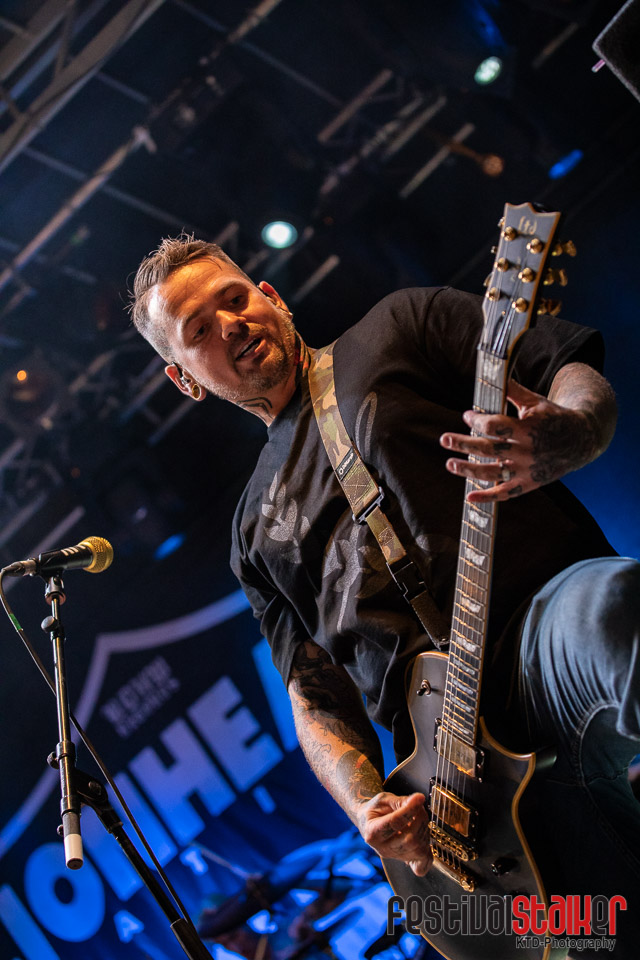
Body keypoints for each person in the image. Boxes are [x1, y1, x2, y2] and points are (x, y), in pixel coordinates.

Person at [130, 236, 640, 955]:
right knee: (603, 935)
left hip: (541, 634)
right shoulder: (251, 535)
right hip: (455, 786)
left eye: (235, 298)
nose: (231, 323)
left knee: (616, 608)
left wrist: (575, 430)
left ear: (272, 298)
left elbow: (562, 369)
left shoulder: (399, 324)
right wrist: (368, 807)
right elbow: (315, 698)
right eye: (199, 330)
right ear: (185, 380)